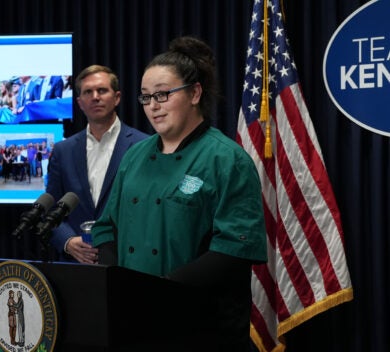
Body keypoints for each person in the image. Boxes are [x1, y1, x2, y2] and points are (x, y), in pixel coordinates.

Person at [91, 36, 268, 350]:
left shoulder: (227, 160)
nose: (153, 107)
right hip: (134, 321)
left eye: (162, 95)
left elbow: (233, 251)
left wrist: (161, 291)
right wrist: (118, 283)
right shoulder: (135, 155)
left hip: (201, 327)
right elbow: (107, 227)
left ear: (195, 93)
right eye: (146, 98)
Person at [45, 65, 149, 264]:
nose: (95, 97)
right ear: (79, 102)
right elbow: (52, 208)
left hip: (126, 262)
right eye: (88, 92)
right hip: (76, 265)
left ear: (116, 97)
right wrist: (67, 241)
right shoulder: (62, 151)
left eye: (102, 90)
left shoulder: (144, 145)